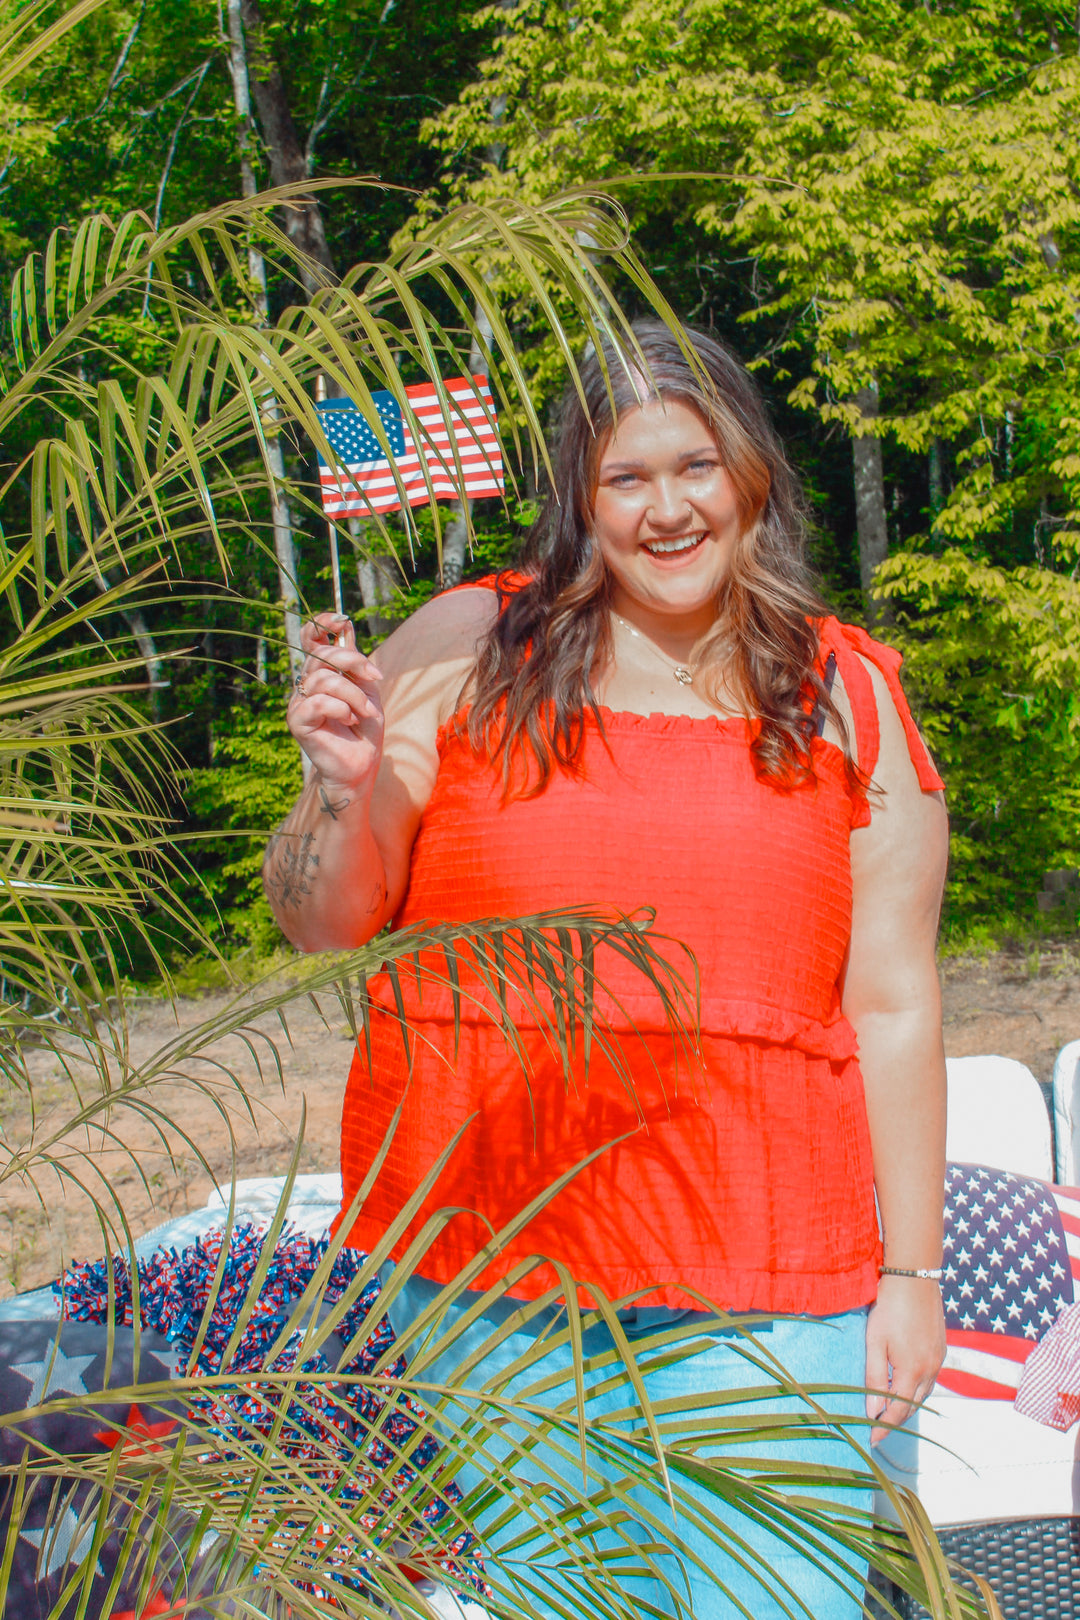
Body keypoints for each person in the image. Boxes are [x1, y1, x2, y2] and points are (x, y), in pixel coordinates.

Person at [264, 318, 949, 1618]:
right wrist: (335, 794)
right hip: (497, 1273)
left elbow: (898, 1002)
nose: (668, 507)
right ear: (577, 498)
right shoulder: (467, 644)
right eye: (625, 478)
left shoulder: (847, 689)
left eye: (695, 465)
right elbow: (325, 922)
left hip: (767, 1276)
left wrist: (912, 1277)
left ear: (752, 470)